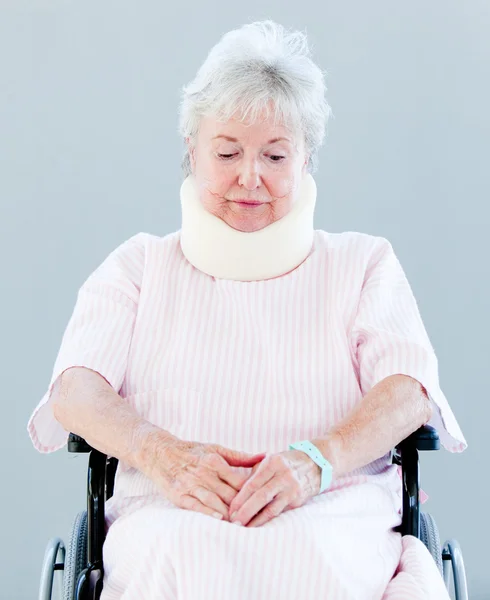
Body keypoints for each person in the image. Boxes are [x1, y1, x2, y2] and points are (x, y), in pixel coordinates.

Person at [28, 20, 467, 600]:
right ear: (193, 151)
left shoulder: (363, 264)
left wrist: (318, 461)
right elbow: (75, 389)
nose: (249, 177)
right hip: (169, 511)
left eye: (275, 155)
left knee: (315, 558)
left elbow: (409, 389)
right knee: (178, 554)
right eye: (228, 152)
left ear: (306, 160)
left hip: (332, 508)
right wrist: (160, 454)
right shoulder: (138, 267)